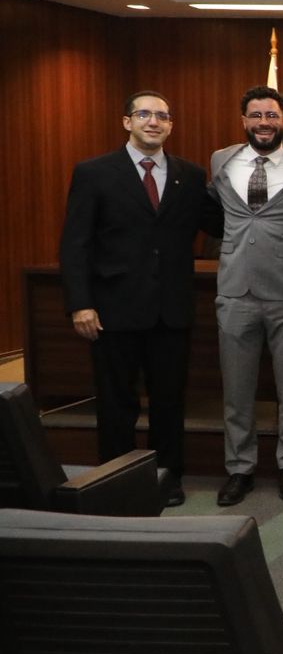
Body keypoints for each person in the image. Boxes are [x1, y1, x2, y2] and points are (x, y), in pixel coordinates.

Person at [59, 90, 216, 507]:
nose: (153, 122)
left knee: (169, 402)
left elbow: (220, 223)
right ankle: (115, 482)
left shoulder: (189, 175)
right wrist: (80, 303)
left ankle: (168, 479)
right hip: (113, 309)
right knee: (116, 403)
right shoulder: (94, 173)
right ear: (127, 122)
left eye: (162, 116)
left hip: (171, 310)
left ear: (171, 125)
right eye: (144, 114)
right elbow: (75, 243)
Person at [210, 86, 283, 507]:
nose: (264, 123)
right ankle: (240, 469)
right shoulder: (221, 161)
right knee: (237, 391)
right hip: (235, 292)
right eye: (256, 115)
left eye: (271, 115)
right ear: (244, 121)